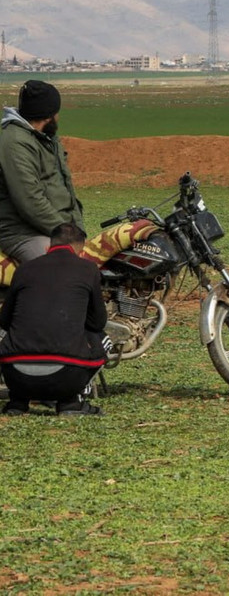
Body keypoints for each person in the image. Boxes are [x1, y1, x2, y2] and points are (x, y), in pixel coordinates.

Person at [0, 222, 110, 416]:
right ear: (80, 248)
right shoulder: (88, 269)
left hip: (15, 375)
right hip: (66, 377)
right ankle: (72, 402)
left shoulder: (24, 269)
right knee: (103, 338)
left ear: (48, 247)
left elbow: (5, 321)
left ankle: (18, 402)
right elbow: (98, 322)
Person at [0, 80, 83, 263]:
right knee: (58, 270)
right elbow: (29, 199)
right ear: (48, 116)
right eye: (56, 113)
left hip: (54, 229)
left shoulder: (46, 138)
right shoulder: (15, 143)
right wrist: (64, 231)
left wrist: (76, 227)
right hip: (22, 232)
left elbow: (63, 185)